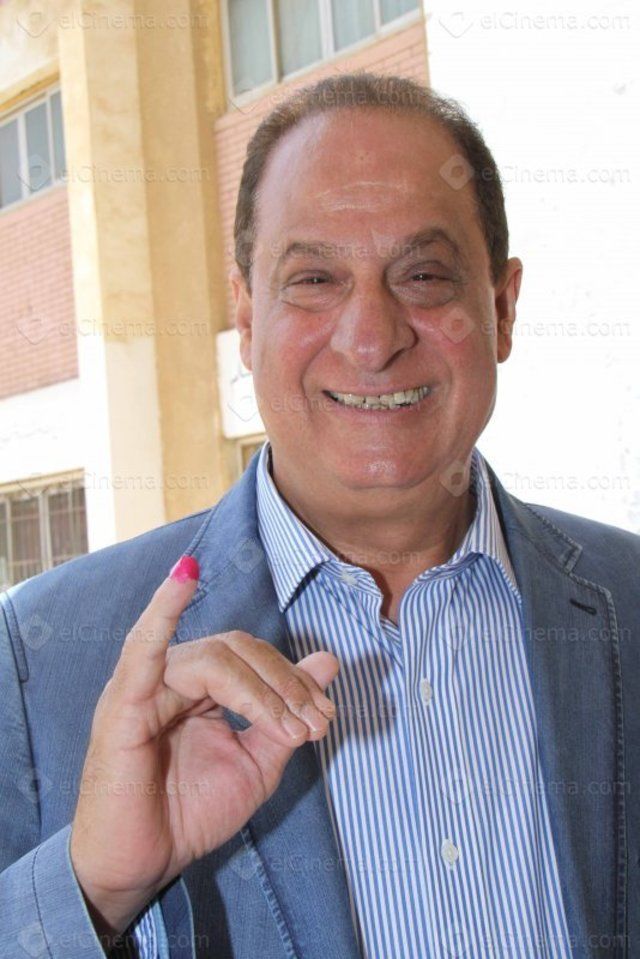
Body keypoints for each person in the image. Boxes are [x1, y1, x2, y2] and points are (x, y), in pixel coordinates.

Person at [0, 71, 637, 959]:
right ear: (246, 315)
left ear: (501, 308)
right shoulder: (40, 659)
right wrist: (96, 893)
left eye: (423, 274)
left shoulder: (626, 600)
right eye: (313, 278)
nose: (371, 339)